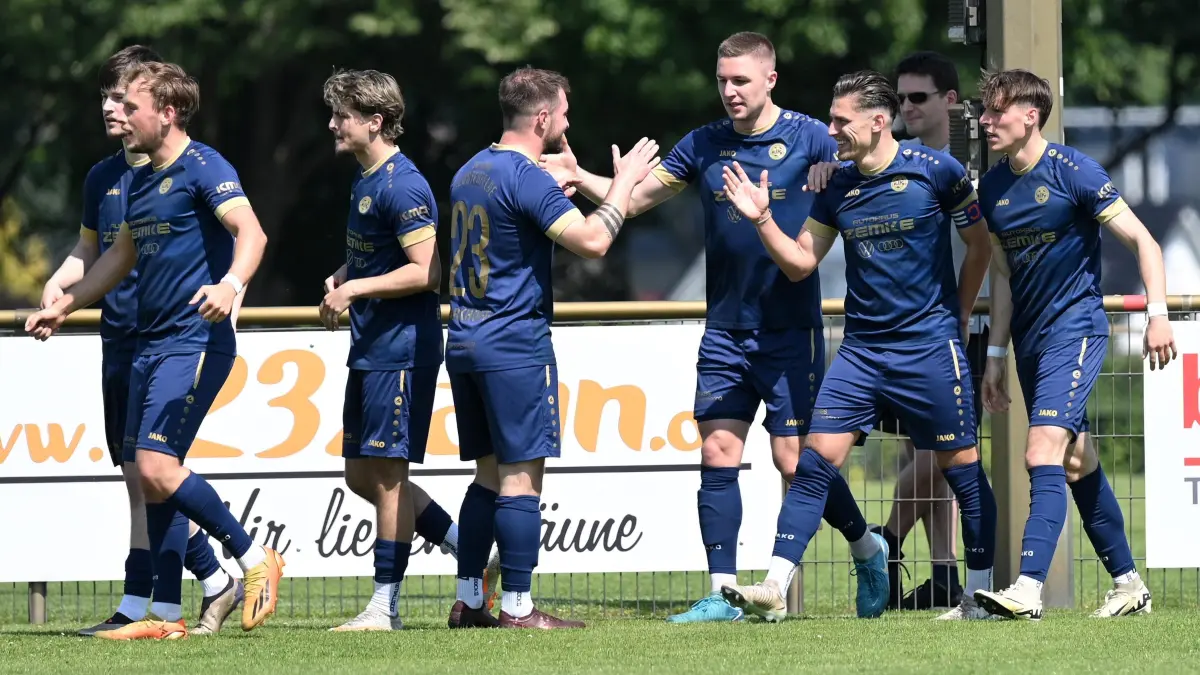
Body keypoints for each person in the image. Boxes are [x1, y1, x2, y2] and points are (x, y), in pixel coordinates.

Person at [540, 31, 887, 624]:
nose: (729, 90)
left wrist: (839, 171)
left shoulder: (809, 136)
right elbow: (639, 198)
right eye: (722, 79)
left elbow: (867, 158)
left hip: (789, 330)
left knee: (793, 462)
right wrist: (592, 179)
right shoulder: (705, 142)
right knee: (717, 449)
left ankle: (865, 545)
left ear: (769, 80)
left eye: (741, 80)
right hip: (726, 329)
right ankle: (724, 593)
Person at [718, 70, 998, 622]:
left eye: (841, 120)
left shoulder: (936, 172)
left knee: (961, 467)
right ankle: (775, 585)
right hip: (862, 351)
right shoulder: (838, 186)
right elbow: (801, 263)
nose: (832, 129)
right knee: (814, 462)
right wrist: (764, 219)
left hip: (928, 347)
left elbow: (979, 245)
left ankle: (980, 594)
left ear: (878, 120)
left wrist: (960, 315)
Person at [25, 61, 283, 639]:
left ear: (167, 112)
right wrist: (66, 304)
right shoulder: (137, 180)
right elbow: (119, 258)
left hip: (193, 342)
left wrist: (231, 284)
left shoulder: (205, 166)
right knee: (149, 474)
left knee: (157, 468)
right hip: (148, 344)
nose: (117, 114)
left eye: (130, 105)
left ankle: (252, 558)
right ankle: (165, 616)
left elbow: (252, 233)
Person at [444, 66, 661, 629]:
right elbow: (593, 241)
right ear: (541, 117)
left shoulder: (470, 170)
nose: (567, 123)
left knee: (486, 477)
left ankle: (471, 601)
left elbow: (513, 230)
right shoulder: (527, 176)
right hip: (514, 345)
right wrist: (624, 180)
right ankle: (517, 606)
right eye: (563, 113)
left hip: (465, 339)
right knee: (521, 481)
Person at [973, 68, 1169, 620]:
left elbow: (1144, 242)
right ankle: (1130, 585)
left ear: (1029, 115)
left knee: (1042, 452)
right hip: (1030, 344)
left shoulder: (1074, 171)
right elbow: (1005, 277)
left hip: (1076, 331)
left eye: (995, 111)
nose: (985, 121)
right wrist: (994, 356)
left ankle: (1026, 590)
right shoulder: (992, 188)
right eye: (984, 112)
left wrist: (1158, 315)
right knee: (1078, 461)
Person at [317, 68, 496, 630]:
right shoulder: (365, 179)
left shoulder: (403, 184)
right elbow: (379, 256)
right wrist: (343, 274)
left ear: (374, 120)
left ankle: (384, 605)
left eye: (341, 115)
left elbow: (427, 272)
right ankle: (468, 545)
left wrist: (356, 288)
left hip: (401, 350)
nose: (332, 124)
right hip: (371, 345)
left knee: (389, 475)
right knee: (359, 475)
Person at [870, 50, 984, 610]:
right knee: (931, 450)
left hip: (958, 327)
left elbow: (981, 247)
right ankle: (942, 570)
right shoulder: (893, 158)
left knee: (945, 449)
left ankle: (887, 541)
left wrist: (962, 313)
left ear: (950, 101)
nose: (905, 108)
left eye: (918, 97)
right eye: (900, 98)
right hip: (906, 333)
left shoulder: (968, 162)